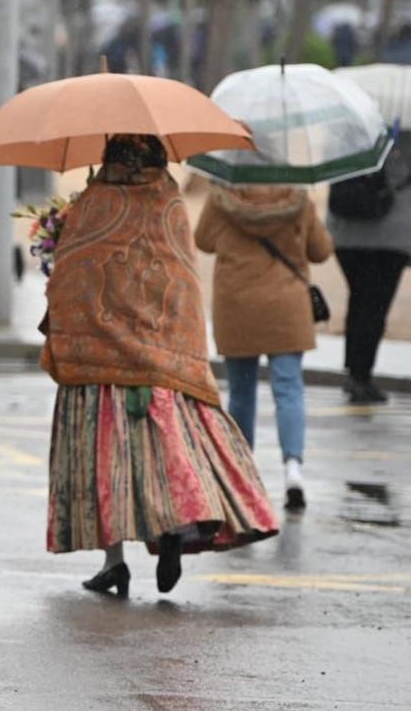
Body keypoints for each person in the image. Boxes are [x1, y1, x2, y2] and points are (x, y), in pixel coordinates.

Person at [39, 135, 278, 598]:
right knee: (163, 457)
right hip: (162, 366)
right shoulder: (169, 199)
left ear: (111, 156)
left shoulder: (95, 201)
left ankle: (114, 563)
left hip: (99, 370)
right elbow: (182, 281)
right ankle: (174, 527)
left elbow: (71, 278)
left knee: (104, 465)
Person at [194, 181, 333, 509]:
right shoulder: (297, 197)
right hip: (286, 305)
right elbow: (321, 251)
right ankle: (293, 470)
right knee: (288, 388)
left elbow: (203, 241)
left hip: (238, 304)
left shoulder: (221, 197)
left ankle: (243, 475)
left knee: (241, 393)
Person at [328, 134, 409, 404]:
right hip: (391, 237)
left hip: (346, 233)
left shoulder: (349, 129)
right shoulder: (405, 138)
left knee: (360, 299)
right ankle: (361, 374)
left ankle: (355, 371)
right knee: (374, 307)